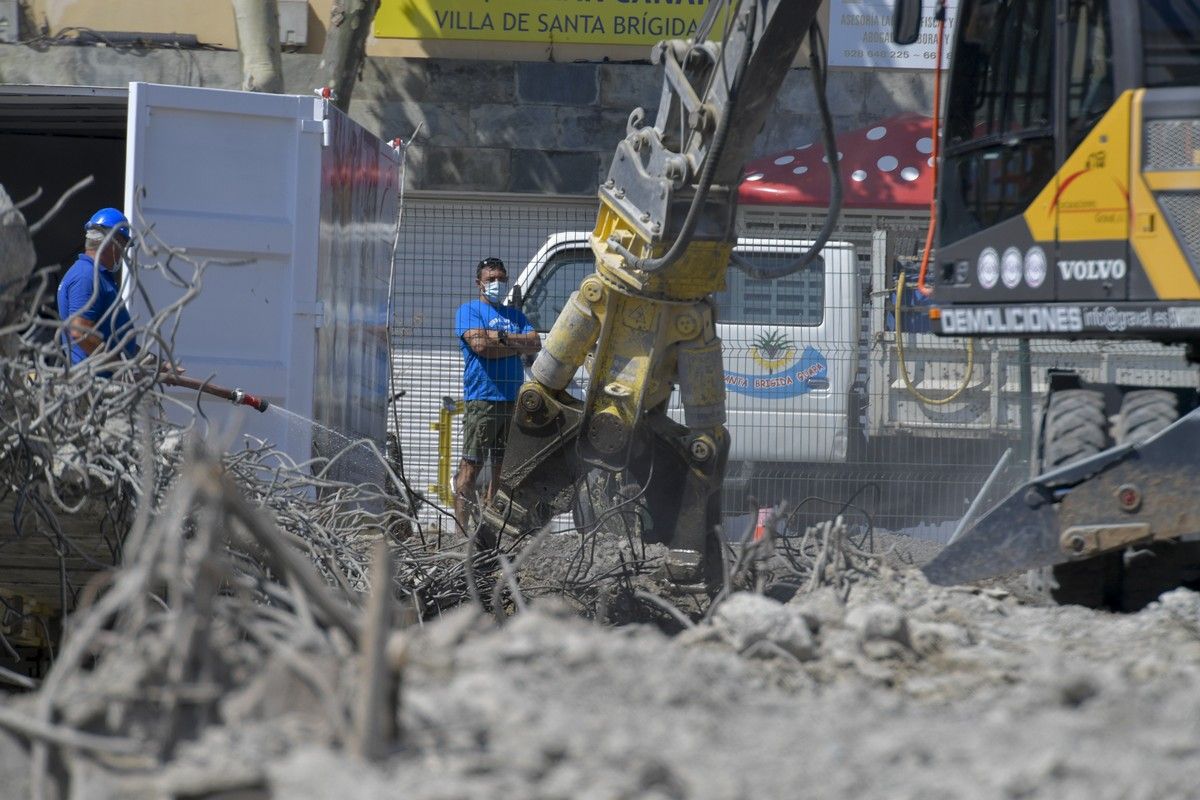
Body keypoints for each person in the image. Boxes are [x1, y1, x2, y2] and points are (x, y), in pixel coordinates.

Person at [453, 256, 541, 537]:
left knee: (503, 474)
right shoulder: (469, 311)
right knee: (470, 468)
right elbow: (479, 345)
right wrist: (513, 343)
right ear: (479, 282)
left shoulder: (515, 315)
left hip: (512, 404)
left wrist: (499, 339)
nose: (497, 284)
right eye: (491, 279)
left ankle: (490, 533)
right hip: (483, 400)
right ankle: (460, 533)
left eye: (501, 279)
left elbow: (535, 342)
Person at [56, 207, 140, 371]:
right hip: (93, 386)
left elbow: (115, 340)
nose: (124, 252)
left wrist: (157, 363)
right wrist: (118, 367)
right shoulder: (86, 276)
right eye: (124, 244)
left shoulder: (97, 276)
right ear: (111, 241)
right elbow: (80, 332)